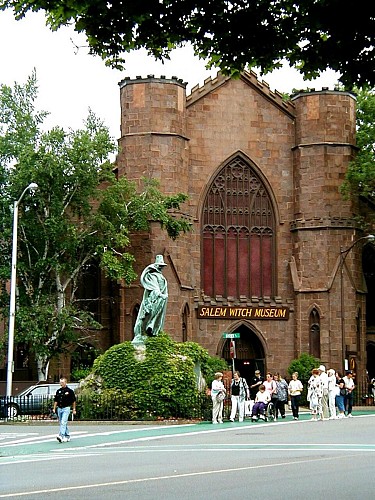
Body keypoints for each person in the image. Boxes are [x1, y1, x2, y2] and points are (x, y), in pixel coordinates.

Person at [133, 255, 168, 345]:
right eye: (160, 266)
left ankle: (152, 329)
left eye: (162, 266)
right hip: (153, 300)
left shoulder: (160, 276)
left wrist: (163, 296)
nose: (161, 268)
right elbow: (155, 288)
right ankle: (141, 333)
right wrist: (160, 295)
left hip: (160, 299)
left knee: (156, 315)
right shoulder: (152, 276)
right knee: (147, 315)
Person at [53, 377, 77, 443]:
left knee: (63, 422)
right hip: (59, 408)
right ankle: (67, 435)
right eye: (60, 382)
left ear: (66, 382)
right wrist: (54, 408)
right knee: (62, 423)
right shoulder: (58, 391)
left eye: (62, 382)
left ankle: (61, 435)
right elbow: (56, 400)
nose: (61, 384)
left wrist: (74, 409)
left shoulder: (70, 391)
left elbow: (73, 401)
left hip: (66, 408)